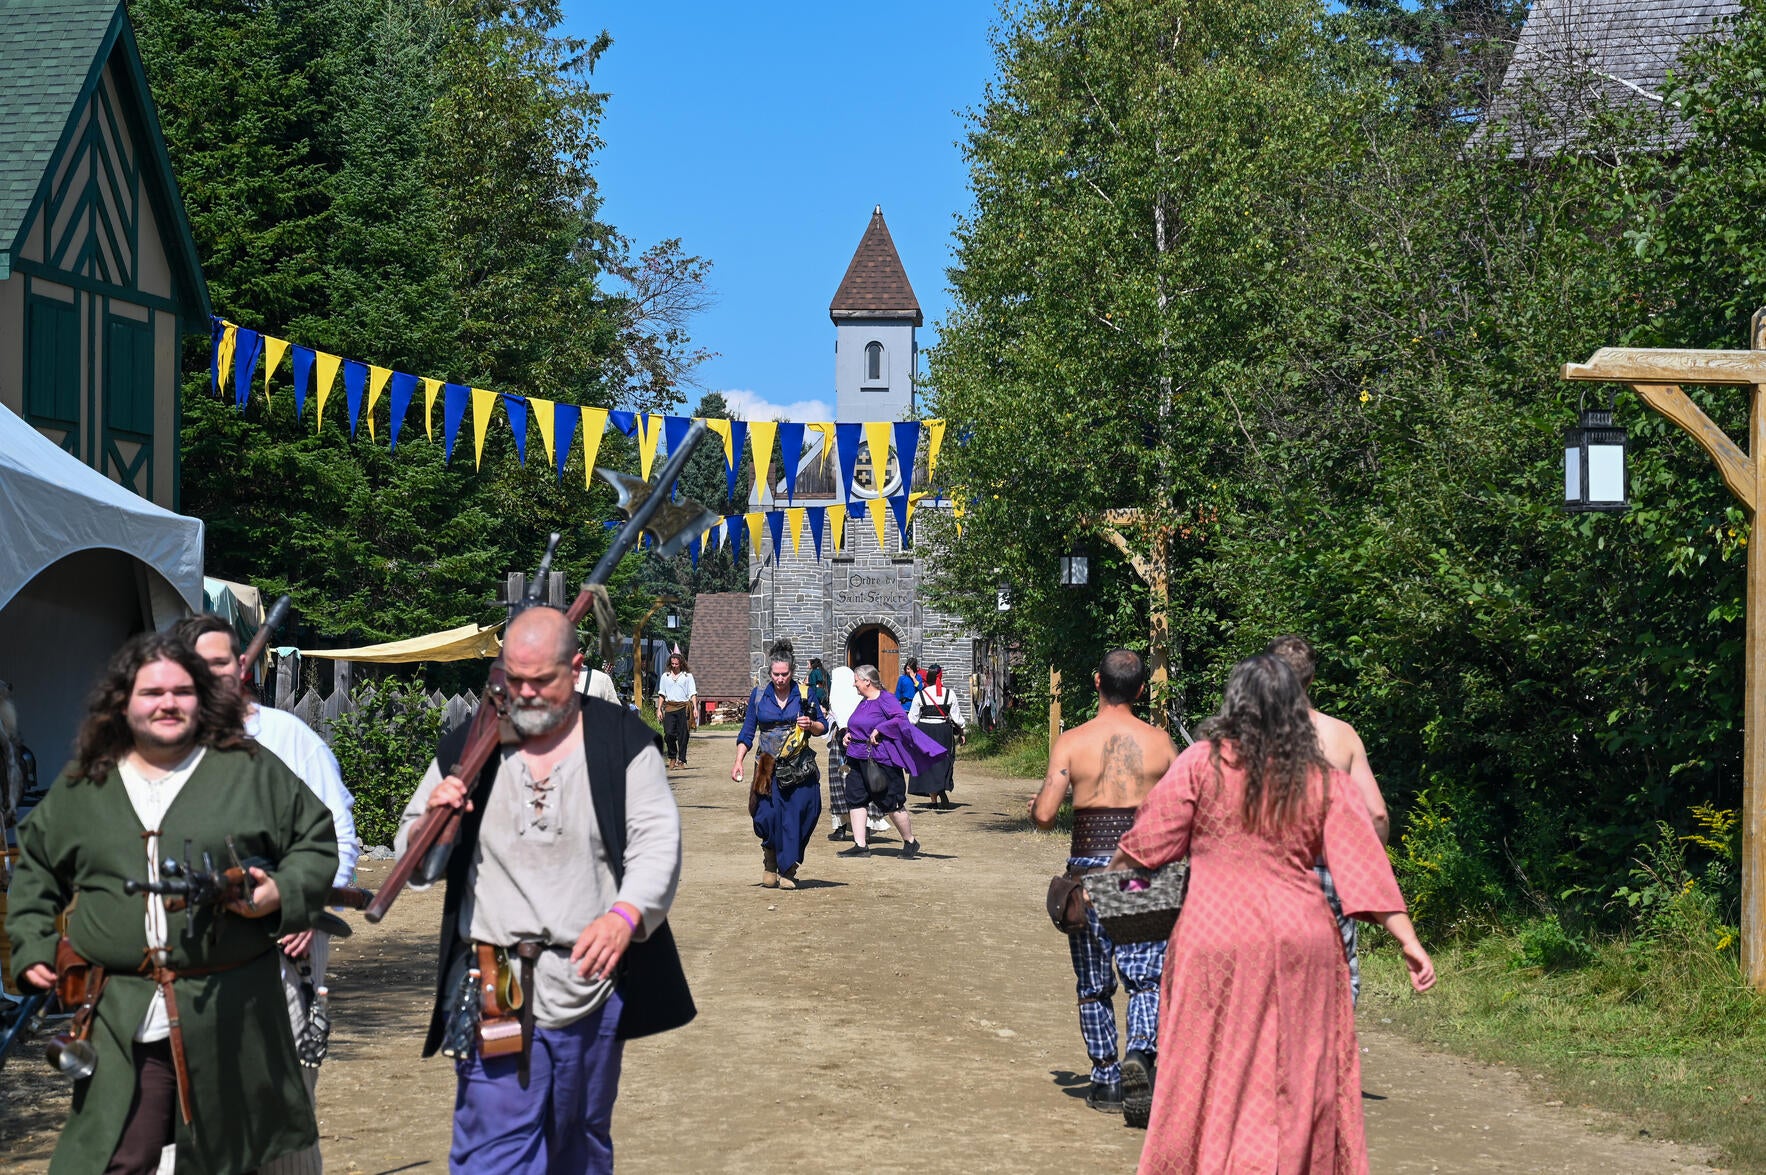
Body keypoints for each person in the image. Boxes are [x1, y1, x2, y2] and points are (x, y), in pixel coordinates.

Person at [6, 631, 339, 1174]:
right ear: (123, 701)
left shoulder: (247, 768)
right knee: (118, 1156)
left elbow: (317, 842)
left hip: (229, 1008)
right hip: (121, 1011)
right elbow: (38, 866)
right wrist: (33, 942)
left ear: (203, 696)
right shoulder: (88, 782)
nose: (168, 703)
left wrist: (283, 891)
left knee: (223, 1160)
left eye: (183, 690)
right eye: (151, 691)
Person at [1111, 654, 1435, 1174]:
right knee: (1296, 1069)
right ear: (1294, 706)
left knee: (1205, 1067)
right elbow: (1362, 862)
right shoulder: (1319, 776)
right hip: (1301, 936)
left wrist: (1111, 901)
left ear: (1235, 702)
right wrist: (1408, 939)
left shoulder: (1201, 762)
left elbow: (1144, 848)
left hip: (1213, 933)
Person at [396, 606, 688, 1173]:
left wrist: (626, 914)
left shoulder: (621, 742)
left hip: (590, 976)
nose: (524, 693)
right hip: (498, 974)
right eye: (513, 678)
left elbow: (657, 844)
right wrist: (437, 826)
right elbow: (416, 861)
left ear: (575, 669)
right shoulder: (470, 745)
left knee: (577, 1138)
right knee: (494, 1142)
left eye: (541, 680)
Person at [182, 614, 360, 1175]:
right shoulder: (165, 747)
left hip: (283, 946)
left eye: (220, 662)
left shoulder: (287, 738)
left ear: (242, 665)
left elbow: (339, 836)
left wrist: (305, 902)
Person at [1029, 649, 1177, 1125]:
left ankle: (1107, 1078)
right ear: (1140, 690)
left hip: (1088, 876)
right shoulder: (1161, 744)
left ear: (1096, 682)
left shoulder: (1072, 743)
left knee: (1093, 985)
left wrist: (1042, 799)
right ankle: (1140, 1054)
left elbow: (1045, 816)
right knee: (1146, 981)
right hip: (1141, 871)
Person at [1265, 634, 1389, 1005]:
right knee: (1336, 974)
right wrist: (1362, 865)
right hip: (1327, 873)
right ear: (1311, 680)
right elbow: (1377, 813)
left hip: (1264, 874)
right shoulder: (1341, 735)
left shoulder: (1247, 736)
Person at [732, 640, 826, 889]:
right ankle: (770, 860)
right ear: (769, 672)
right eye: (776, 674)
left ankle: (789, 868)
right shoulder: (759, 696)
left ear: (792, 672)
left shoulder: (806, 694)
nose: (780, 679)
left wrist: (811, 725)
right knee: (767, 816)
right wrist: (739, 761)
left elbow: (822, 726)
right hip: (766, 766)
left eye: (785, 674)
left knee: (803, 813)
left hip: (798, 766)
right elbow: (748, 731)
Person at [838, 665, 944, 859]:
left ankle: (910, 841)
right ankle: (860, 845)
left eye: (856, 680)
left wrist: (881, 728)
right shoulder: (864, 701)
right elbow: (858, 724)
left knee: (891, 801)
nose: (854, 684)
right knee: (855, 798)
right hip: (856, 757)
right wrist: (848, 734)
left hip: (880, 759)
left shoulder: (885, 699)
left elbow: (900, 719)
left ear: (867, 681)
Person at [906, 663, 965, 809]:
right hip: (943, 730)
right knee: (944, 761)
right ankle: (940, 788)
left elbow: (912, 719)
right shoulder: (949, 694)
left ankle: (934, 799)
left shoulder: (920, 695)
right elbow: (957, 718)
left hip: (924, 730)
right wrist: (962, 732)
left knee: (927, 764)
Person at [824, 666, 862, 841]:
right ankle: (842, 827)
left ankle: (860, 828)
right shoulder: (838, 701)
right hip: (843, 747)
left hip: (854, 748)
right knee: (841, 786)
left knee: (855, 785)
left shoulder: (860, 700)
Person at [654, 650, 698, 769]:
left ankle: (681, 760)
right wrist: (659, 709)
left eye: (676, 664)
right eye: (672, 664)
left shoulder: (687, 676)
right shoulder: (665, 676)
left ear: (681, 664)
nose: (674, 666)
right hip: (670, 707)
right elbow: (662, 694)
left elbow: (692, 693)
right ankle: (672, 756)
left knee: (683, 735)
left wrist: (695, 708)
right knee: (669, 734)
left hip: (683, 707)